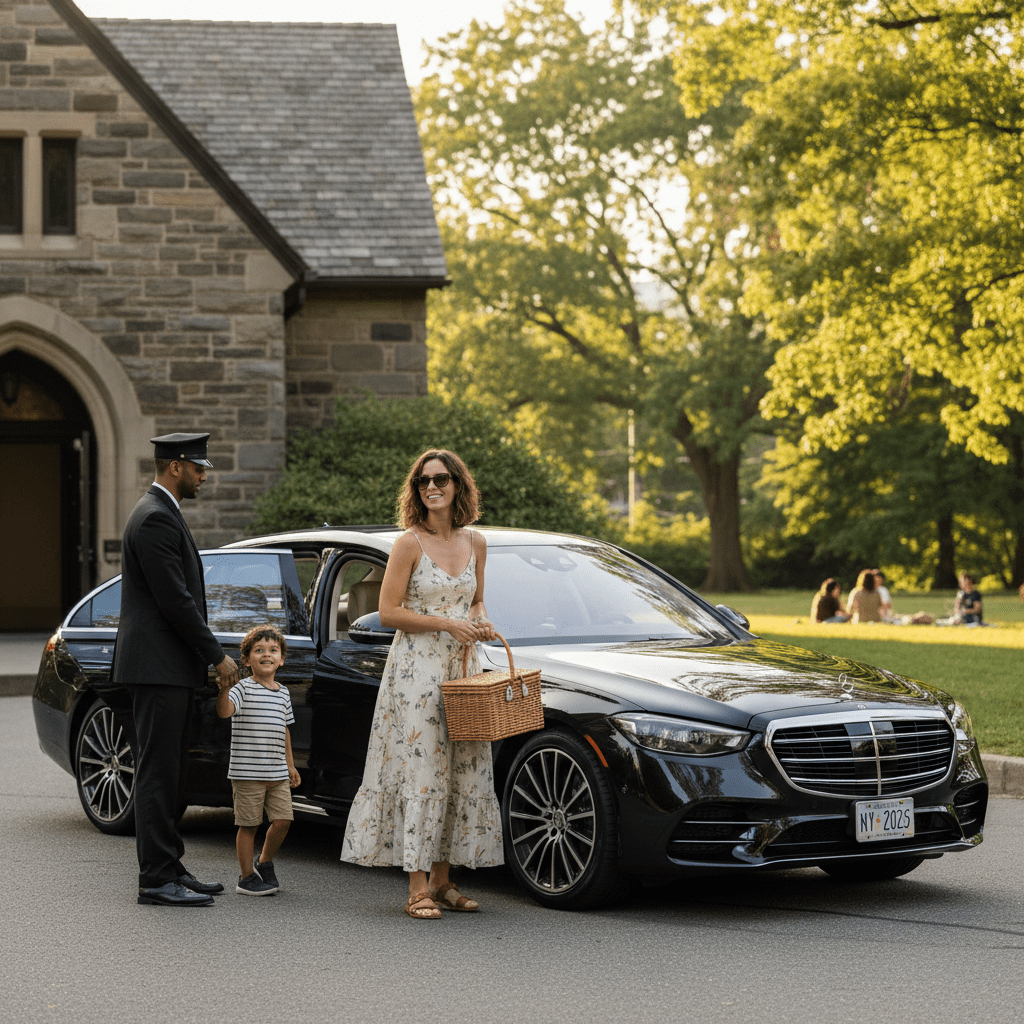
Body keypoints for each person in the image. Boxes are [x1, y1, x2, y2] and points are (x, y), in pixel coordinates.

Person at [340, 449, 503, 920]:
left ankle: (444, 880)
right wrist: (446, 624)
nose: (432, 487)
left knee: (459, 769)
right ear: (416, 491)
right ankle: (416, 887)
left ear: (458, 485)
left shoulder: (476, 542)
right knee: (422, 772)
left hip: (463, 668)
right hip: (416, 673)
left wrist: (479, 621)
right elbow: (388, 612)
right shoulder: (408, 544)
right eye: (423, 481)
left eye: (442, 479)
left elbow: (475, 602)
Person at [112, 432, 239, 907]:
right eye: (199, 467)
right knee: (157, 774)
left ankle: (170, 866)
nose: (204, 475)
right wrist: (217, 656)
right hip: (157, 667)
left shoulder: (161, 512)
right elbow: (176, 602)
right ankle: (155, 880)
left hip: (166, 668)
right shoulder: (153, 520)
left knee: (170, 771)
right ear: (176, 467)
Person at [216, 625, 301, 896]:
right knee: (249, 824)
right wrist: (224, 691)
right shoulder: (242, 688)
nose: (267, 654)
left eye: (273, 650)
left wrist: (290, 764)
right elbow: (225, 712)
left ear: (282, 659)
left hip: (277, 773)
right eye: (259, 650)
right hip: (247, 773)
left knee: (283, 821)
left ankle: (264, 862)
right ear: (246, 660)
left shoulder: (284, 693)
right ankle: (245, 877)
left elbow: (285, 729)